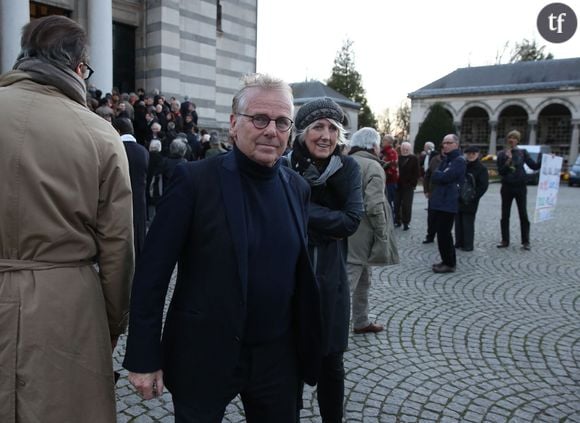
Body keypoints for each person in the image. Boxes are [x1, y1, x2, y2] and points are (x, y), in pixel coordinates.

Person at [123, 73, 322, 423]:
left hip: (277, 356)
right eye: (259, 119)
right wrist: (143, 357)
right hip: (204, 351)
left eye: (281, 122)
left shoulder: (297, 188)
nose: (270, 130)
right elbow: (152, 274)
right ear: (233, 124)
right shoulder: (194, 181)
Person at [0, 16, 134, 422]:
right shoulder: (100, 134)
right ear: (79, 67)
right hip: (66, 304)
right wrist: (112, 322)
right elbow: (118, 246)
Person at [288, 97, 363, 422]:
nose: (326, 135)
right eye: (318, 126)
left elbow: (350, 221)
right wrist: (322, 217)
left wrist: (300, 210)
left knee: (332, 363)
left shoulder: (348, 168)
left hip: (332, 284)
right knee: (288, 360)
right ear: (303, 131)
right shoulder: (285, 165)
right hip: (290, 281)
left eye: (333, 128)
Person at [346, 128, 399, 335]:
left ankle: (361, 321)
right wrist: (382, 235)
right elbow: (374, 205)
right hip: (363, 234)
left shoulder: (347, 161)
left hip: (347, 230)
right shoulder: (373, 166)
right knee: (349, 282)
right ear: (374, 146)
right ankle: (333, 330)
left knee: (363, 280)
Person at [496, 129, 541, 250]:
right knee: (505, 214)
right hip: (507, 187)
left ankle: (525, 241)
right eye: (510, 137)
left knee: (523, 214)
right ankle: (505, 240)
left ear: (517, 140)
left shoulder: (522, 153)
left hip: (520, 187)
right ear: (507, 139)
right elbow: (501, 171)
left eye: (515, 138)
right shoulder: (501, 154)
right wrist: (508, 160)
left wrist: (545, 158)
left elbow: (534, 166)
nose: (512, 140)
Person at [114, 117, 149, 260]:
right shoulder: (143, 151)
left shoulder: (115, 148)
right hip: (139, 197)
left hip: (118, 196)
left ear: (117, 131)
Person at [429, 134, 466, 273]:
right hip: (440, 201)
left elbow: (445, 177)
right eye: (444, 142)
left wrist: (440, 175)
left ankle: (450, 263)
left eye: (448, 142)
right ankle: (446, 260)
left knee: (445, 234)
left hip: (448, 202)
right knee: (442, 233)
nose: (445, 145)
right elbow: (435, 175)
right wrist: (439, 175)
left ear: (456, 144)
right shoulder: (447, 159)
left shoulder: (458, 161)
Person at [455, 146, 489, 251]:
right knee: (458, 221)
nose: (470, 155)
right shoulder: (463, 165)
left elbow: (483, 186)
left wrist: (473, 196)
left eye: (473, 153)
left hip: (471, 199)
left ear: (478, 154)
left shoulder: (481, 168)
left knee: (468, 222)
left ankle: (468, 244)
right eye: (469, 153)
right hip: (459, 197)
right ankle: (459, 242)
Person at [395, 141, 420, 230]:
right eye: (403, 149)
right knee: (397, 204)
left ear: (410, 149)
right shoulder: (398, 158)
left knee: (407, 205)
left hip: (408, 185)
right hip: (398, 185)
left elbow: (417, 173)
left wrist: (412, 184)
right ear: (401, 149)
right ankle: (397, 220)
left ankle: (406, 222)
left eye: (407, 149)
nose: (405, 150)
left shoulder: (414, 158)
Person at [422, 146, 443, 244]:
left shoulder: (454, 161)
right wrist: (426, 190)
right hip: (433, 193)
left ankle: (442, 237)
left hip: (446, 195)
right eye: (443, 148)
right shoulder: (435, 160)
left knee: (443, 219)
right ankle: (430, 236)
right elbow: (427, 175)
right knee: (431, 217)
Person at [380, 134, 398, 217]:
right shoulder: (383, 152)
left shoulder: (391, 152)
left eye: (384, 140)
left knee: (389, 201)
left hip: (390, 181)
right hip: (385, 181)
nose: (382, 142)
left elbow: (392, 167)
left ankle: (392, 218)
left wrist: (383, 173)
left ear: (389, 142)